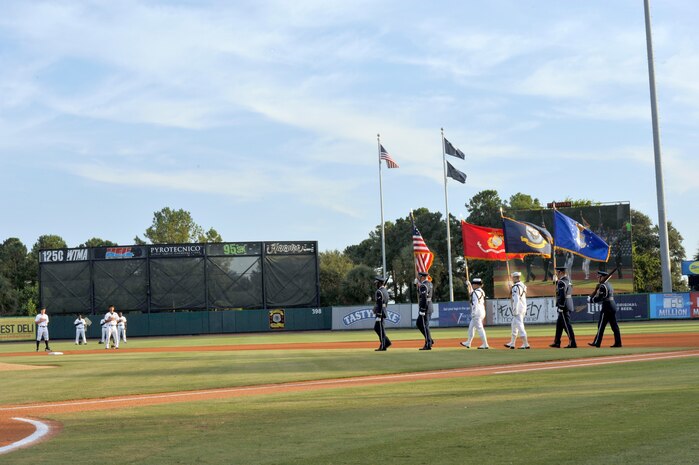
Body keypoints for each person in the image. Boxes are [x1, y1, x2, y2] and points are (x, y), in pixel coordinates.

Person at [588, 271, 622, 348]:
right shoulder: (609, 284)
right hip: (612, 305)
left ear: (602, 277)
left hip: (607, 307)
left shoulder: (603, 286)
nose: (597, 278)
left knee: (601, 326)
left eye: (599, 277)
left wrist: (591, 300)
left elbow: (600, 298)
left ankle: (597, 343)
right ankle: (618, 342)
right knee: (614, 326)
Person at [550, 266, 577, 348]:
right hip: (568, 303)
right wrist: (556, 282)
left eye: (557, 272)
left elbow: (562, 295)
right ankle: (557, 342)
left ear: (560, 272)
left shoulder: (561, 282)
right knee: (559, 325)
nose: (556, 274)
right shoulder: (568, 280)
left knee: (567, 325)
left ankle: (573, 343)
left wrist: (561, 306)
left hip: (564, 306)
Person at [460, 277, 489, 349]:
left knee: (479, 328)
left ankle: (485, 344)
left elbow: (475, 302)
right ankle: (468, 342)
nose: (473, 285)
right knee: (471, 328)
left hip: (477, 311)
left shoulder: (476, 292)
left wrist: (474, 311)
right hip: (481, 310)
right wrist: (469, 285)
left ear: (477, 285)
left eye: (473, 284)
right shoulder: (481, 291)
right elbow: (471, 293)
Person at [505, 272, 530, 349]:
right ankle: (512, 343)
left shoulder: (515, 287)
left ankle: (526, 344)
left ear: (515, 278)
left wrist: (514, 309)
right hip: (523, 307)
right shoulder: (522, 285)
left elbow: (516, 299)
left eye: (513, 278)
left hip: (518, 308)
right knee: (514, 325)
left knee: (520, 325)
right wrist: (511, 287)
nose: (512, 279)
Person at [373, 276, 392, 351]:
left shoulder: (379, 291)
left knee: (380, 329)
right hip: (383, 310)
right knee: (378, 328)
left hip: (380, 312)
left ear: (379, 283)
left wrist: (379, 314)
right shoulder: (385, 291)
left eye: (377, 283)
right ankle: (386, 342)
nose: (376, 284)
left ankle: (384, 345)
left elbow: (380, 303)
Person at [416, 271, 434, 350]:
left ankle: (428, 344)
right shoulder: (430, 284)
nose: (418, 278)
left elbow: (423, 298)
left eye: (419, 277)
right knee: (418, 323)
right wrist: (416, 286)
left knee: (425, 326)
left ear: (422, 277)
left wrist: (422, 309)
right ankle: (429, 339)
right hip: (429, 306)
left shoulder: (423, 285)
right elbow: (422, 294)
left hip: (425, 308)